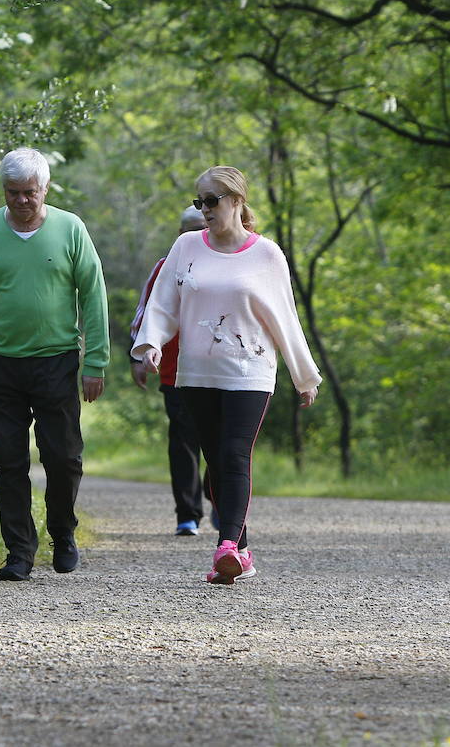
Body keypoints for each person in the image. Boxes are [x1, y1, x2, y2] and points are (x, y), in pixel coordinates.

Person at [132, 165, 321, 585]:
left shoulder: (267, 255)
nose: (205, 210)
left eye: (212, 201)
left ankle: (228, 546)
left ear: (237, 200)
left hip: (250, 372)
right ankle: (242, 549)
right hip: (196, 372)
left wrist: (304, 375)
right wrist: (150, 344)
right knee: (216, 460)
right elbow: (163, 304)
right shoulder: (186, 247)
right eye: (199, 202)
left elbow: (285, 319)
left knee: (234, 454)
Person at [0, 147, 109, 582]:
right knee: (8, 462)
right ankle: (19, 551)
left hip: (55, 361)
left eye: (29, 193)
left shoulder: (70, 228)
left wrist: (95, 361)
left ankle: (63, 532)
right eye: (12, 192)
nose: (21, 201)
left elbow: (93, 296)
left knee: (62, 458)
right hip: (1, 362)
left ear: (45, 189)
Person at [129, 204, 211, 536]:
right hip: (175, 370)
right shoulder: (164, 267)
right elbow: (145, 312)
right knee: (183, 441)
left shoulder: (229, 262)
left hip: (220, 369)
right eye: (187, 231)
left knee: (220, 441)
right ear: (179, 235)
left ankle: (218, 500)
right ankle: (187, 513)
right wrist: (138, 355)